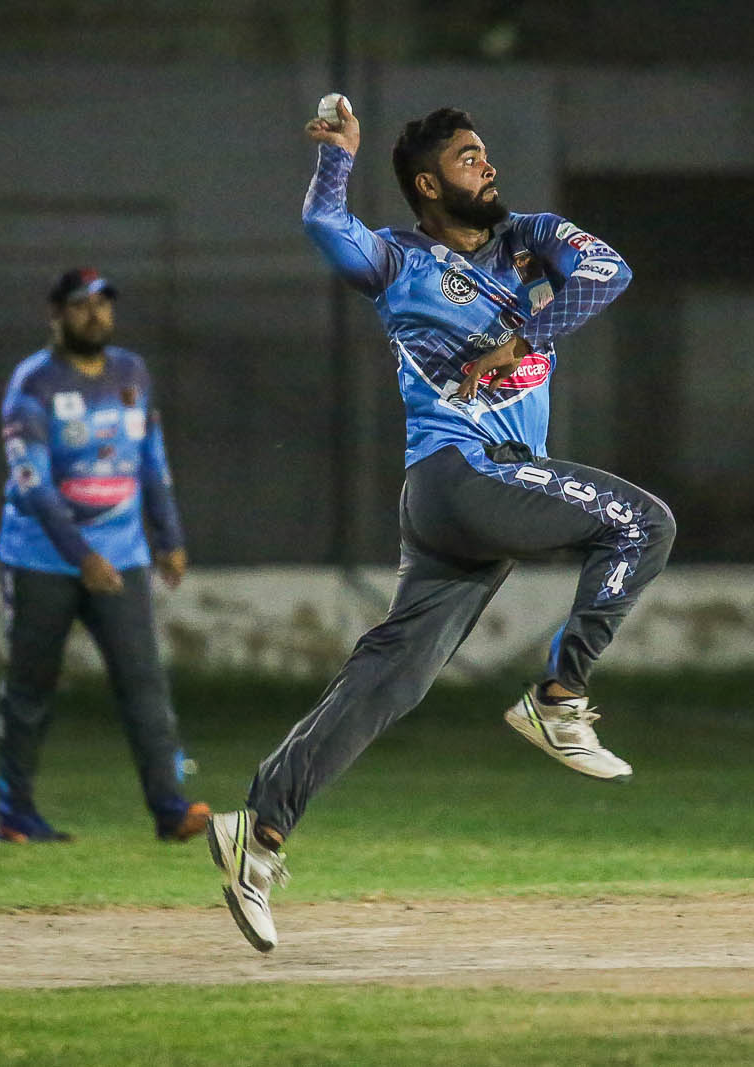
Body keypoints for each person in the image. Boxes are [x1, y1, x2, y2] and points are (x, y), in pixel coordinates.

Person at [206, 103, 676, 952]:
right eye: (468, 158)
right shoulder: (398, 260)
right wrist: (338, 161)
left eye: (486, 153)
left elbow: (611, 274)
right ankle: (559, 699)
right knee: (643, 524)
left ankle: (259, 831)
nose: (487, 167)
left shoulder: (532, 237)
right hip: (463, 475)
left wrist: (521, 337)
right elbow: (324, 225)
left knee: (389, 679)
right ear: (428, 184)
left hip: (471, 494)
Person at [0, 268, 208, 845]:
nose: (95, 315)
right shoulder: (33, 384)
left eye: (103, 304)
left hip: (122, 555)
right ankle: (15, 815)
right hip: (41, 559)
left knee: (144, 685)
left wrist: (169, 537)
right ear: (55, 314)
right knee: (30, 689)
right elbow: (34, 484)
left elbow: (151, 460)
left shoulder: (132, 372)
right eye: (81, 305)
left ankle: (171, 810)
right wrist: (81, 556)